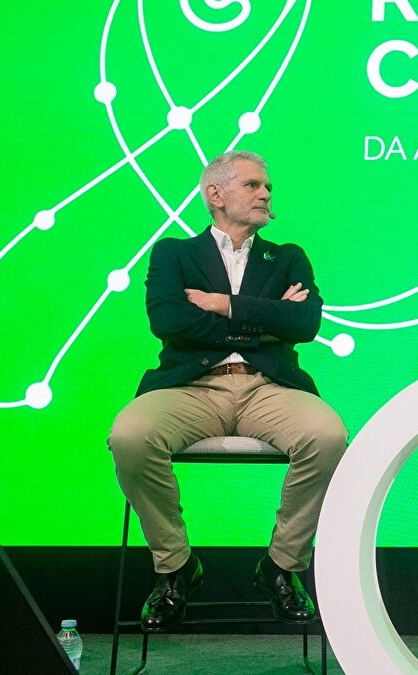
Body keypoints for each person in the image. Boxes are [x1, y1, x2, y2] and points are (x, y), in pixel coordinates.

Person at [108, 150, 348, 631]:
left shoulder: (287, 256)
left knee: (328, 437)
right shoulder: (174, 253)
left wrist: (222, 304)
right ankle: (176, 568)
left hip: (268, 386)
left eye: (268, 187)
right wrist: (265, 319)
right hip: (191, 386)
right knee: (130, 436)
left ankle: (280, 567)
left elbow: (305, 323)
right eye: (253, 185)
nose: (266, 193)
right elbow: (169, 321)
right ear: (215, 194)